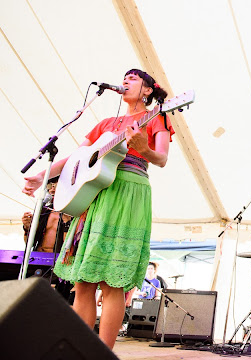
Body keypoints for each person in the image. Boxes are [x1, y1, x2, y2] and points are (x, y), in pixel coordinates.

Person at [22, 69, 174, 349]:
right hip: (95, 194)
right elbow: (76, 158)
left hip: (127, 190)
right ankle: (80, 350)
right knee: (83, 282)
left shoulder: (157, 116)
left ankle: (102, 353)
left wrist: (144, 149)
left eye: (132, 78)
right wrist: (43, 176)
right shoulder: (105, 123)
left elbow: (162, 158)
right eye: (124, 78)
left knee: (111, 283)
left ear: (148, 90)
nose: (125, 81)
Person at [22, 176, 72, 253]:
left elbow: (70, 248)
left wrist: (67, 223)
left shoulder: (73, 213)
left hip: (59, 261)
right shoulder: (44, 211)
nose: (52, 190)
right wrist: (27, 228)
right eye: (49, 187)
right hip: (38, 256)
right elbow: (29, 243)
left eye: (55, 186)